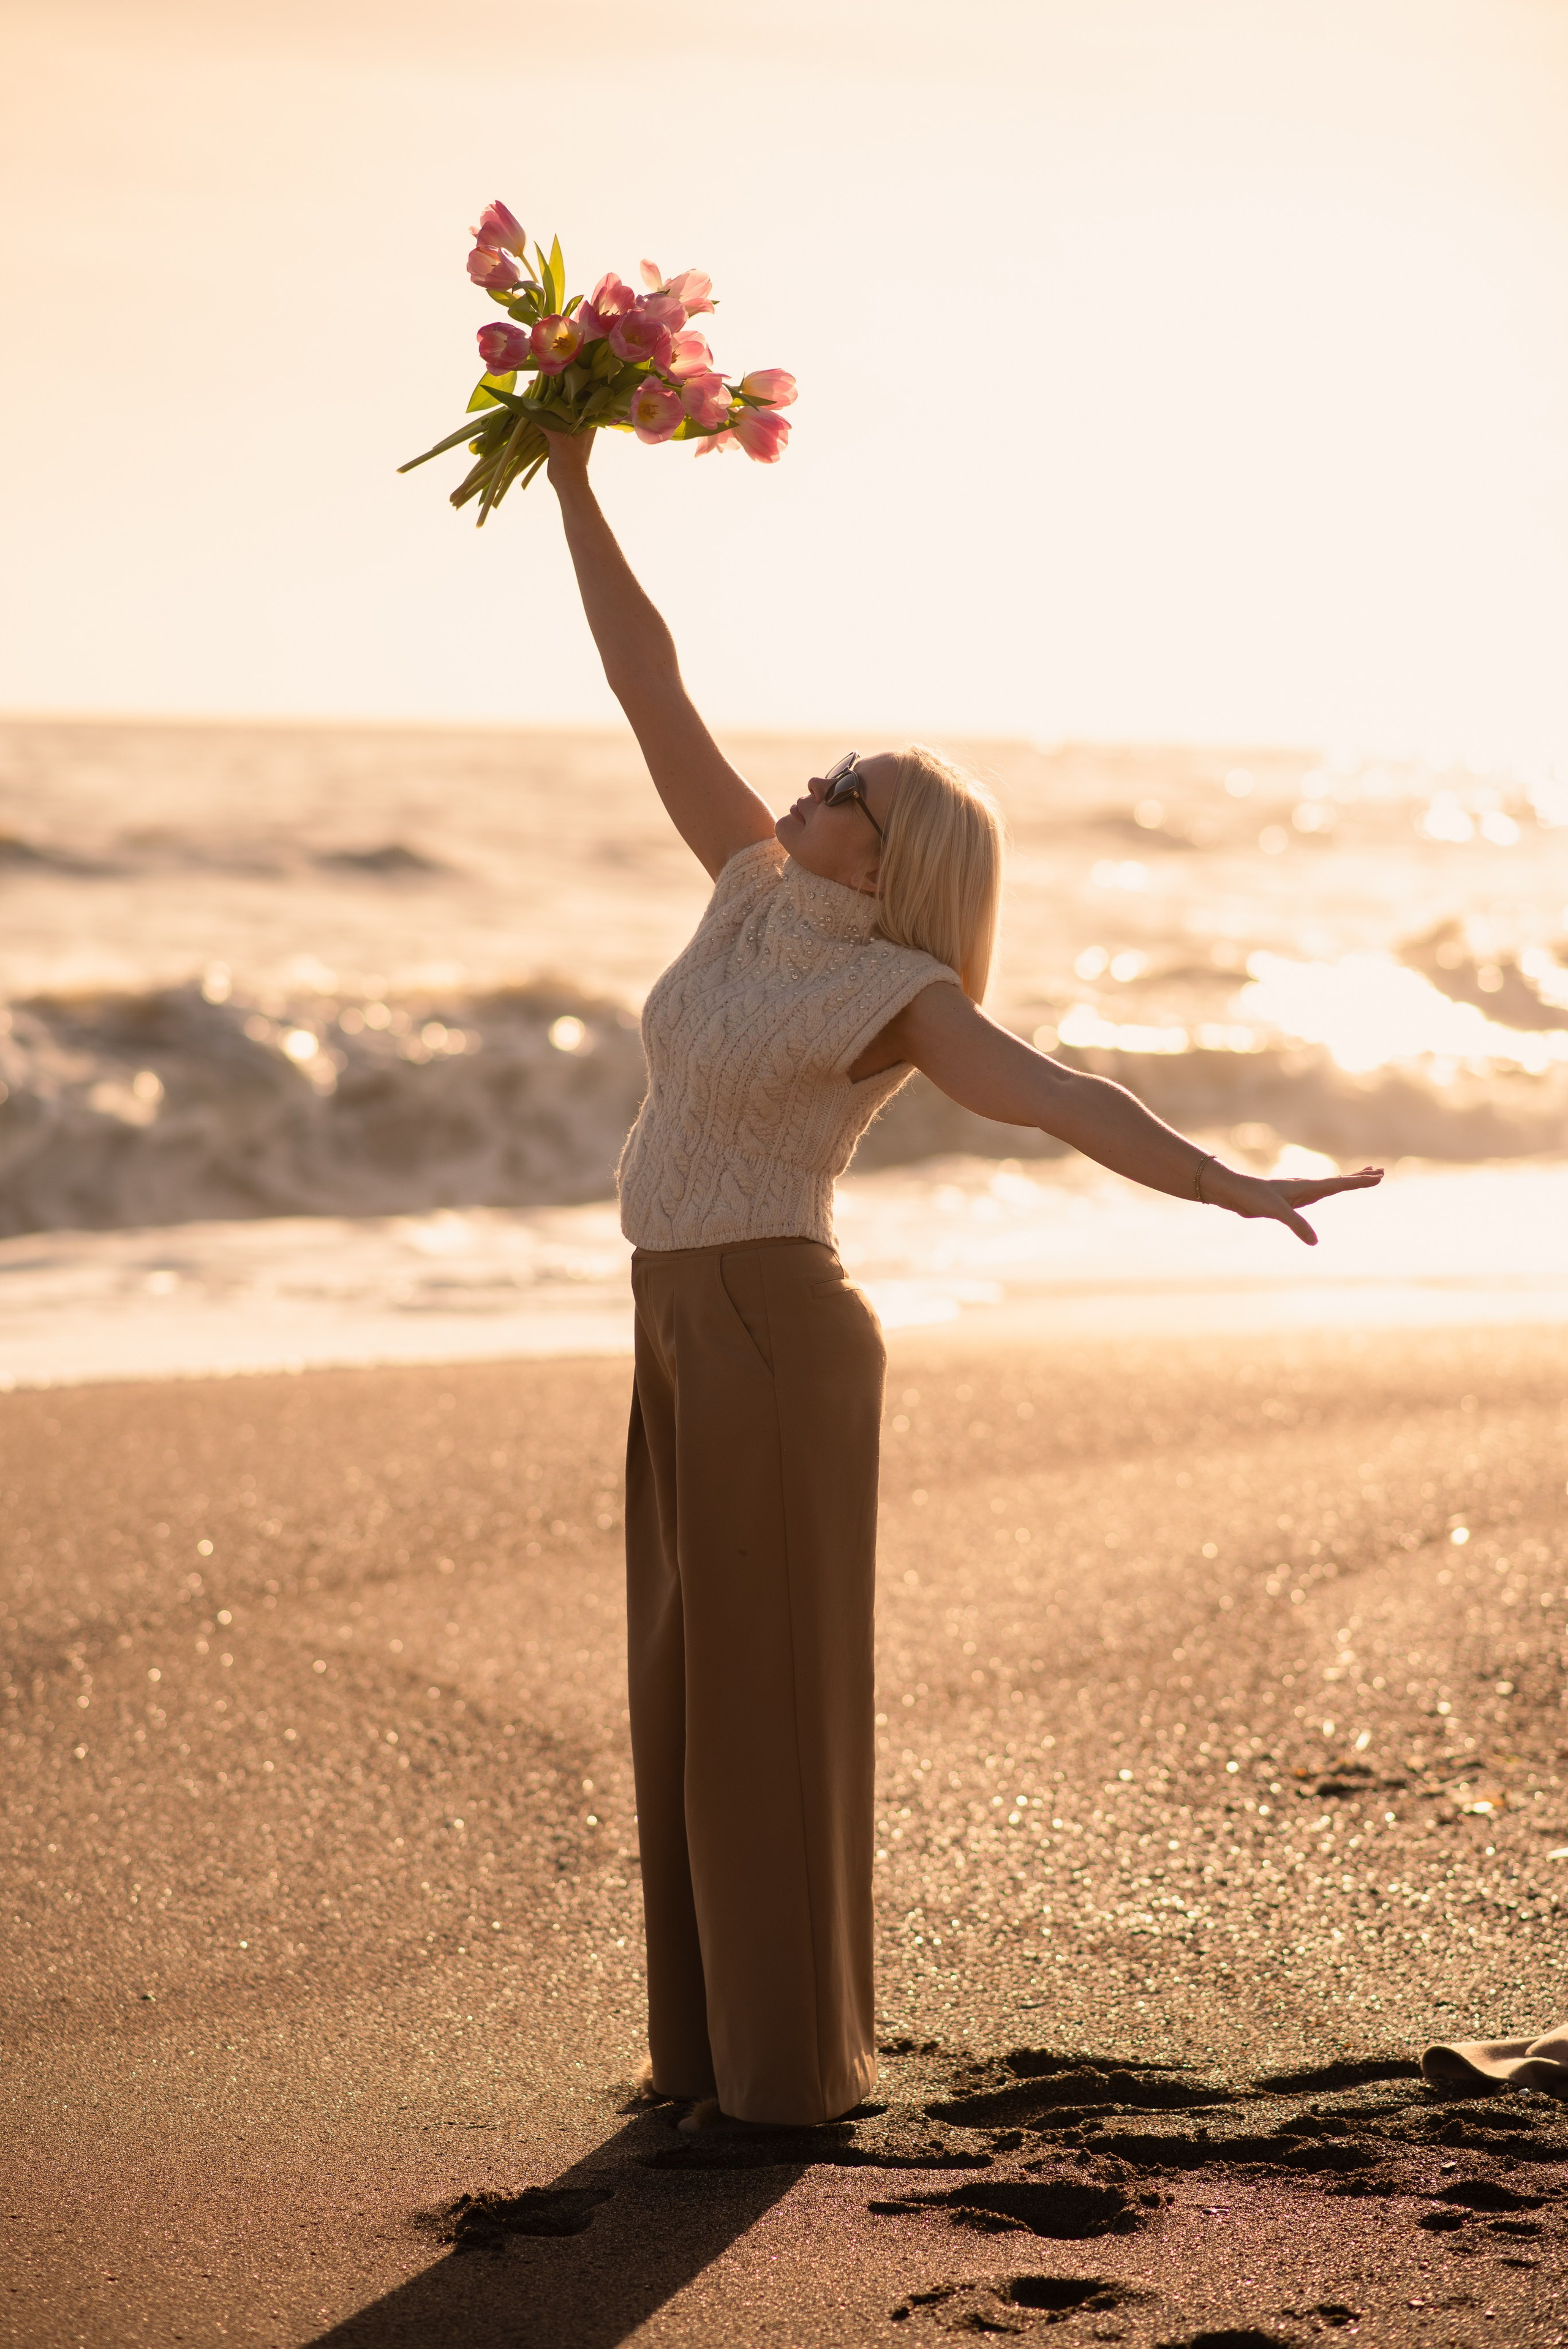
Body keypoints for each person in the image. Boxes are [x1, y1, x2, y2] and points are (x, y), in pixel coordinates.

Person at [545, 428, 1382, 2132]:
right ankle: (703, 2055)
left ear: (889, 854)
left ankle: (785, 2082)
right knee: (684, 1692)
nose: (814, 782)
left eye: (846, 785)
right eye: (830, 768)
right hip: (671, 1320)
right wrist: (571, 478)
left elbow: (1065, 1096)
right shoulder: (745, 895)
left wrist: (1229, 1184)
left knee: (766, 1703)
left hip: (774, 1330)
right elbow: (650, 686)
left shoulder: (904, 992)